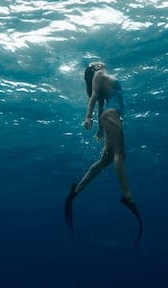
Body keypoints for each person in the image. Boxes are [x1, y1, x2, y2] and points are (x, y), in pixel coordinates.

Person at [64, 61, 143, 245]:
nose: (98, 62)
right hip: (112, 115)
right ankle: (128, 196)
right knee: (119, 155)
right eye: (94, 64)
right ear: (94, 69)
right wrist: (88, 117)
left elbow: (99, 102)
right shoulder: (99, 74)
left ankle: (75, 192)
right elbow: (94, 98)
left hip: (109, 116)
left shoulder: (101, 78)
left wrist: (100, 128)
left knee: (104, 161)